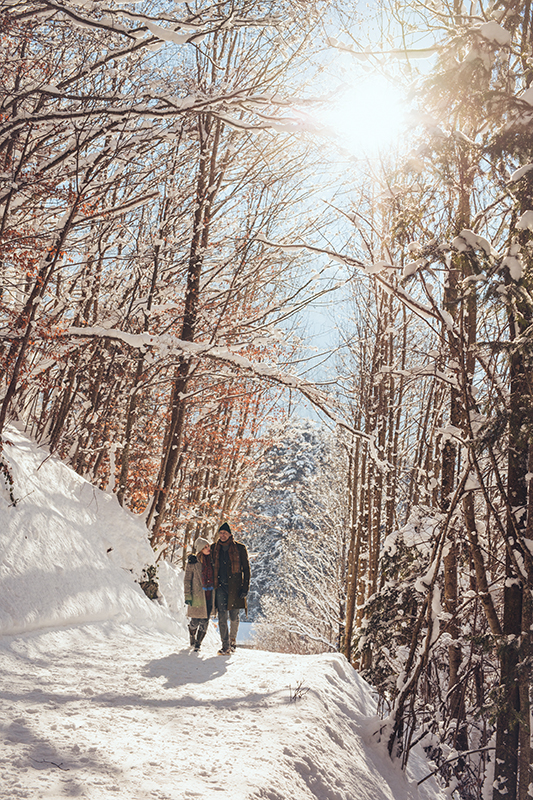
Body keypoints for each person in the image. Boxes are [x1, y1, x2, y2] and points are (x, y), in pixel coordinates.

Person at [212, 522, 250, 655]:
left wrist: (245, 587)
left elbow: (246, 569)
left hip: (235, 587)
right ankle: (225, 645)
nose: (222, 535)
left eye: (225, 533)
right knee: (222, 616)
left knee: (234, 616)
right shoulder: (214, 548)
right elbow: (204, 561)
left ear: (230, 534)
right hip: (220, 587)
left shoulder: (240, 548)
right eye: (220, 533)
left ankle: (233, 641)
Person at [184, 537, 214, 653]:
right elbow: (187, 580)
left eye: (208, 546)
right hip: (197, 596)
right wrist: (188, 596)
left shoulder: (212, 561)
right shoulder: (193, 562)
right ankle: (192, 633)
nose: (208, 549)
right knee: (195, 621)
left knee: (205, 621)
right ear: (200, 549)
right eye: (205, 547)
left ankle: (198, 643)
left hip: (209, 594)